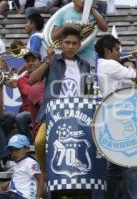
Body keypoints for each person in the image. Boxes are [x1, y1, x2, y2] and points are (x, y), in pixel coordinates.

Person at [29, 27, 92, 173]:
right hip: (53, 114)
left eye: (74, 43)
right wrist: (47, 62)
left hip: (78, 114)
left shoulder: (85, 65)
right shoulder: (51, 60)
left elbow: (88, 93)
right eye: (67, 42)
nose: (70, 46)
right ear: (61, 43)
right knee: (39, 143)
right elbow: (32, 80)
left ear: (79, 45)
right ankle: (45, 174)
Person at [95, 34, 137, 199]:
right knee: (131, 163)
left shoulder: (106, 65)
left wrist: (133, 64)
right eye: (117, 49)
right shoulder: (110, 64)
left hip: (111, 117)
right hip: (117, 118)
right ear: (107, 51)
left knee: (116, 167)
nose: (120, 53)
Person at [51, 0, 108, 68]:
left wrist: (91, 10)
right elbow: (53, 37)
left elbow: (104, 28)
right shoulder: (63, 13)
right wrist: (65, 27)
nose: (83, 0)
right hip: (66, 56)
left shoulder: (93, 14)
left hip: (87, 55)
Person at [0, 134, 43, 199]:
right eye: (11, 150)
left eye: (17, 149)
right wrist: (9, 183)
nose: (14, 153)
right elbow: (22, 178)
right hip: (13, 194)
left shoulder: (30, 162)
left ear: (27, 149)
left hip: (23, 195)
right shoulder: (17, 163)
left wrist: (38, 197)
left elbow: (40, 179)